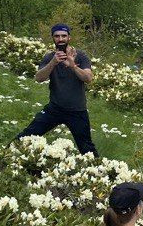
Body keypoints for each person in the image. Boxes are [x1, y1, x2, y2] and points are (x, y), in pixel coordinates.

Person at [15, 24, 97, 156]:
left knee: (86, 147)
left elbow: (88, 78)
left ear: (69, 37)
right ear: (53, 38)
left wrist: (73, 66)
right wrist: (53, 62)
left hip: (77, 110)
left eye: (64, 36)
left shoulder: (81, 56)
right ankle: (4, 155)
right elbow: (39, 78)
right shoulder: (49, 57)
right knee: (26, 136)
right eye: (57, 36)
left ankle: (102, 174)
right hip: (54, 108)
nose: (60, 39)